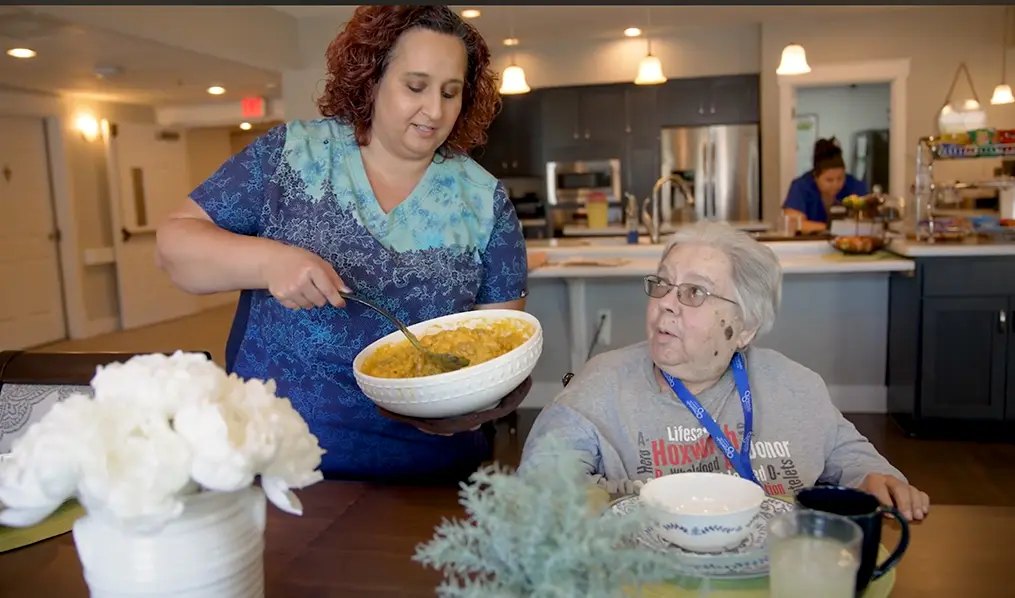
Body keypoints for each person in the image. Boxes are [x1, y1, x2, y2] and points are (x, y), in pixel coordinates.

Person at [155, 6, 528, 483]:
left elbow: (500, 342)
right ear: (371, 79)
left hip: (428, 470)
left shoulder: (484, 199)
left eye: (450, 92)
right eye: (415, 86)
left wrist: (477, 401)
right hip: (276, 460)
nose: (435, 110)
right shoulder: (290, 156)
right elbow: (174, 247)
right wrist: (269, 262)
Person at [520, 221, 930, 522]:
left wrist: (879, 479)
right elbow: (536, 489)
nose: (666, 303)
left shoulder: (796, 386)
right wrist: (644, 500)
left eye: (694, 292)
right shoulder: (600, 386)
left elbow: (854, 459)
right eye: (662, 284)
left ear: (745, 327)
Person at [782, 138, 869, 233]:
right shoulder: (801, 187)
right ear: (816, 177)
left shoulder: (854, 185)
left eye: (840, 178)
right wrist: (833, 228)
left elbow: (866, 221)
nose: (835, 184)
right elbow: (794, 224)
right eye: (829, 180)